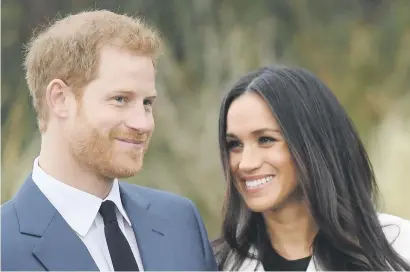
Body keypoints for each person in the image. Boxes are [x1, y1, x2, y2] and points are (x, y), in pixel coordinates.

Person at [1, 10, 217, 271]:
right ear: (60, 99)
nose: (143, 123)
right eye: (120, 99)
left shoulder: (181, 221)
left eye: (147, 103)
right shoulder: (6, 245)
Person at [213, 66, 410, 271]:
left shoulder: (399, 248)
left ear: (313, 144)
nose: (246, 163)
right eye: (235, 145)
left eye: (266, 140)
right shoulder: (213, 264)